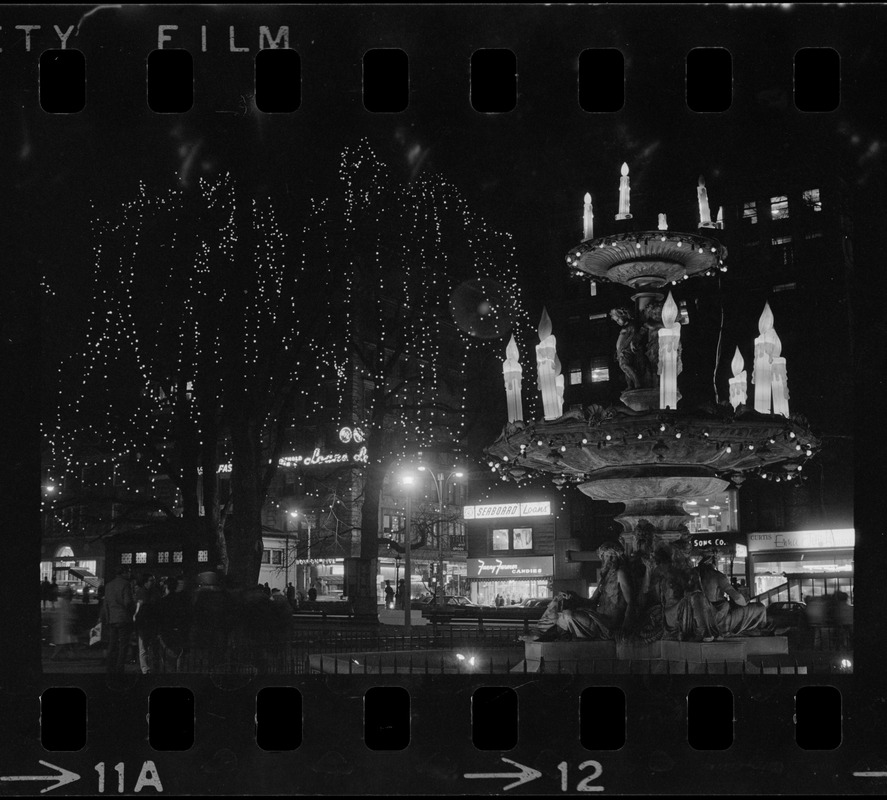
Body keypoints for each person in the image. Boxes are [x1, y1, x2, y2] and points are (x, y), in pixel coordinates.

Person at [696, 550, 771, 636]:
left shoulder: (695, 575)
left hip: (702, 616)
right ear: (713, 560)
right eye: (717, 559)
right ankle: (759, 630)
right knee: (760, 607)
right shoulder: (717, 576)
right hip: (719, 617)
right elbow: (738, 599)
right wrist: (745, 600)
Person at [102, 566, 135, 674]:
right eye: (129, 572)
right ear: (124, 573)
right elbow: (128, 602)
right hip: (123, 618)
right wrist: (132, 611)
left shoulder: (108, 585)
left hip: (112, 618)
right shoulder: (125, 584)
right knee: (123, 645)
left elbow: (105, 604)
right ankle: (119, 667)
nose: (130, 574)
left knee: (112, 644)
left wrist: (108, 618)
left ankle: (109, 666)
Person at [134, 573, 160, 674]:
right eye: (151, 580)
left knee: (149, 647)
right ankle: (145, 668)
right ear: (145, 582)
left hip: (149, 622)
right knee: (144, 648)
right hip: (146, 622)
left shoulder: (145, 592)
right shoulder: (146, 592)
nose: (152, 582)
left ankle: (148, 667)